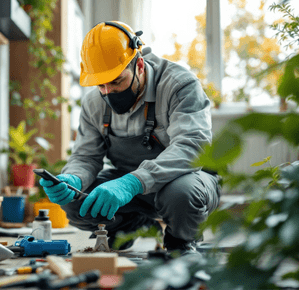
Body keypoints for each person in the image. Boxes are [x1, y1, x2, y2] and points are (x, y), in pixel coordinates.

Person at [39, 21, 221, 255]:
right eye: (100, 85)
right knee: (76, 203)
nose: (108, 92)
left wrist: (133, 182)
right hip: (131, 189)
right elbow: (85, 156)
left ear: (140, 66)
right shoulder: (94, 103)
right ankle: (131, 226)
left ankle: (182, 239)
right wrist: (73, 178)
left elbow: (193, 147)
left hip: (188, 179)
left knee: (180, 195)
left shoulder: (179, 86)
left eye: (116, 81)